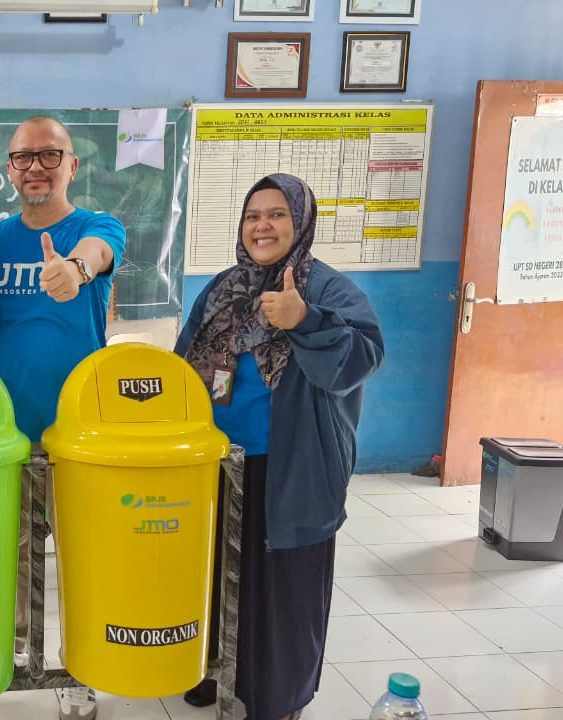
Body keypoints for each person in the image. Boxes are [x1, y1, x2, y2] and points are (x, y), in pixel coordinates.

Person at [0, 115, 125, 720]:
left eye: (49, 155)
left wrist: (76, 270)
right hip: (8, 428)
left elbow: (97, 255)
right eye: (22, 158)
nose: (35, 167)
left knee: (80, 552)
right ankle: (21, 649)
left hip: (81, 431)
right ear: (8, 170)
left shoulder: (96, 227)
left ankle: (79, 665)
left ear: (72, 164)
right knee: (12, 548)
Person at [174, 173, 384, 720]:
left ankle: (279, 697)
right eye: (252, 216)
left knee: (284, 588)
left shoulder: (327, 289)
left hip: (294, 465)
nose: (262, 225)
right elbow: (182, 368)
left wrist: (305, 321)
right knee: (215, 575)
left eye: (276, 215)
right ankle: (212, 674)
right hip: (219, 462)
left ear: (300, 221)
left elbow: (359, 359)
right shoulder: (222, 289)